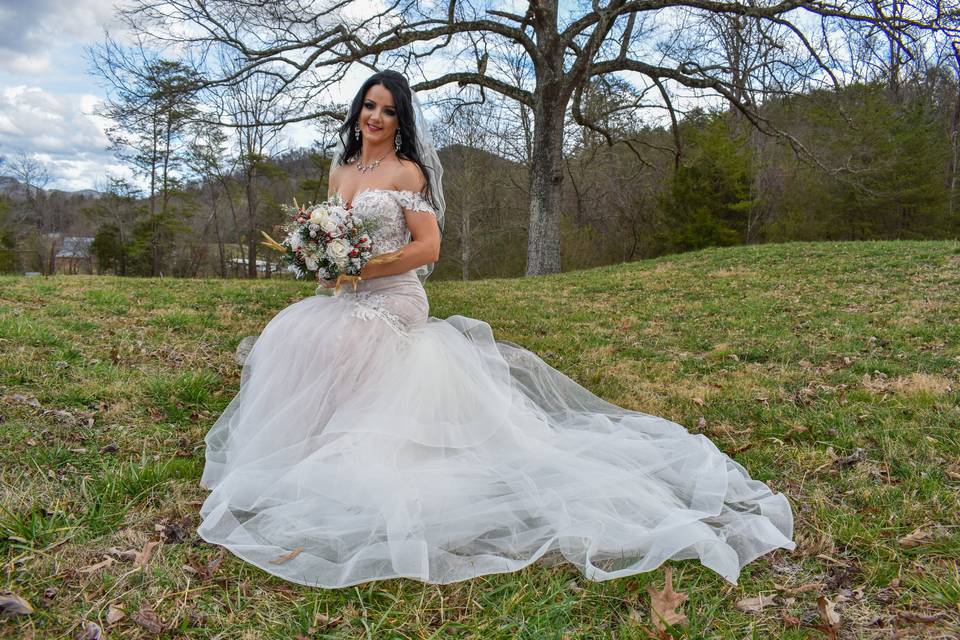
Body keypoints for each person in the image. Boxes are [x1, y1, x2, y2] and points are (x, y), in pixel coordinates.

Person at [197, 70, 795, 588]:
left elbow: (428, 247)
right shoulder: (339, 170)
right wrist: (327, 269)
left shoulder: (408, 175)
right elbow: (335, 239)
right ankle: (308, 448)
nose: (375, 116)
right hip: (348, 290)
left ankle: (362, 450)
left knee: (349, 338)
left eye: (388, 110)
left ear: (401, 121)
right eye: (369, 105)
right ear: (357, 111)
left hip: (396, 296)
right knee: (300, 336)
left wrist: (367, 267)